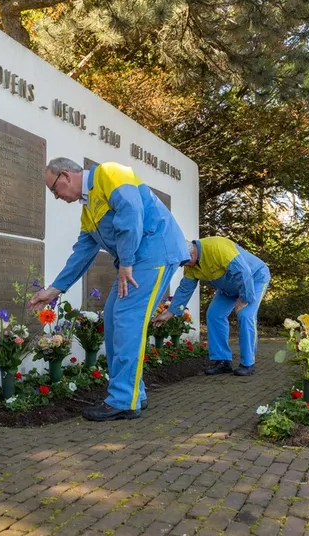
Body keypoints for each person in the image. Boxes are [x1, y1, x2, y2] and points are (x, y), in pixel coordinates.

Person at [28, 158, 189, 421]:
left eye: (54, 190)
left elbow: (131, 211)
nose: (56, 197)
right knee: (115, 319)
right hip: (136, 261)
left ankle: (124, 400)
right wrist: (55, 290)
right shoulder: (88, 210)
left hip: (154, 253)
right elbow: (82, 253)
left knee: (127, 321)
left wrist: (125, 262)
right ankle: (133, 393)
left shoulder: (109, 173)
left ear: (66, 176)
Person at [152, 236, 270, 376]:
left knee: (245, 315)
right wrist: (170, 312)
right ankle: (223, 361)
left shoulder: (217, 247)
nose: (183, 266)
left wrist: (244, 299)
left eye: (183, 263)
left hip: (254, 279)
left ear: (191, 253)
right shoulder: (191, 265)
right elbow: (185, 289)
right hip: (229, 288)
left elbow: (243, 272)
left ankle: (248, 363)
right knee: (214, 315)